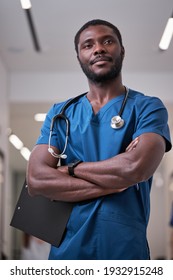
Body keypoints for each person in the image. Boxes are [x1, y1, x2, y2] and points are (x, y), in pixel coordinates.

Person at [27, 19, 172, 260]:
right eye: (88, 45)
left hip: (125, 252)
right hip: (67, 254)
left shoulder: (147, 108)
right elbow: (36, 179)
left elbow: (136, 167)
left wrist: (69, 169)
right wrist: (117, 179)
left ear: (121, 50)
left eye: (107, 41)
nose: (98, 49)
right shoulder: (61, 114)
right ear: (79, 57)